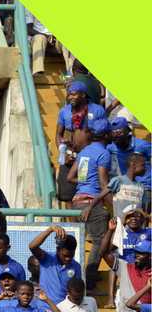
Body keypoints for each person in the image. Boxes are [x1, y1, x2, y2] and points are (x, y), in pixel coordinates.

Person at [67, 118, 114, 290]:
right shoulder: (104, 153)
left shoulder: (85, 151)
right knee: (100, 240)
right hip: (92, 203)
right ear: (106, 135)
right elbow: (103, 184)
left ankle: (79, 276)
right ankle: (90, 275)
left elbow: (70, 177)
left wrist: (85, 182)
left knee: (80, 240)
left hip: (77, 201)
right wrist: (113, 207)